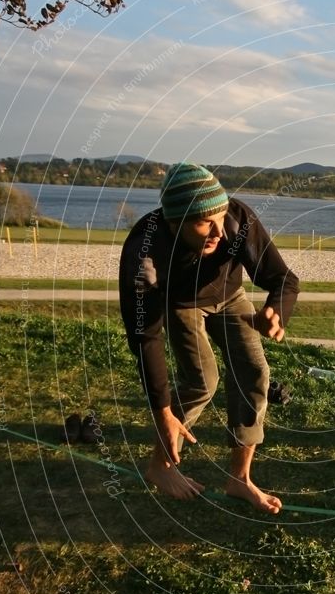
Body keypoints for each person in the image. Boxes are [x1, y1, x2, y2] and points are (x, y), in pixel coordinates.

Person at [119, 162, 299, 512]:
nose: (219, 231)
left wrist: (276, 311)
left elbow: (284, 279)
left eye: (220, 218)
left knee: (255, 372)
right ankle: (161, 465)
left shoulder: (236, 218)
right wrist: (163, 412)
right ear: (175, 221)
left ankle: (240, 479)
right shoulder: (145, 252)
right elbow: (145, 337)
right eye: (204, 223)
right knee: (202, 381)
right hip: (180, 303)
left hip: (231, 297)